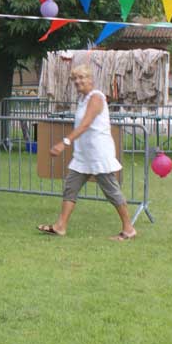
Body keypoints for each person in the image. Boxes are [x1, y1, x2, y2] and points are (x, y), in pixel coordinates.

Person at [37, 64, 137, 241]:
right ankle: (60, 226)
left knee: (111, 191)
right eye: (75, 78)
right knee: (70, 187)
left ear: (91, 79)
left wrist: (64, 143)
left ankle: (129, 229)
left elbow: (85, 124)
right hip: (83, 155)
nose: (78, 81)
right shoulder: (82, 100)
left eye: (81, 77)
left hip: (99, 154)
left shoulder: (96, 97)